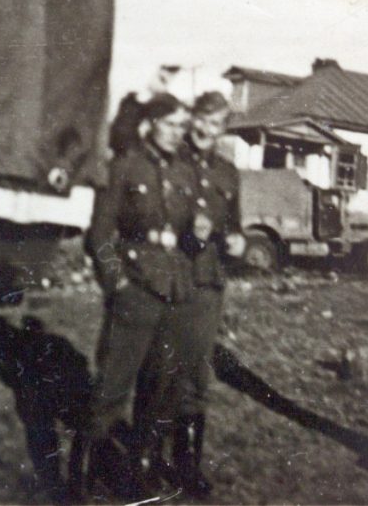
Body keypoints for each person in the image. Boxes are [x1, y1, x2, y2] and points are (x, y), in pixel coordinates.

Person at [71, 93, 198, 501]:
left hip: (173, 291)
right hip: (135, 290)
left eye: (183, 126)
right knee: (111, 388)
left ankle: (135, 473)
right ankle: (83, 477)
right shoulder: (125, 165)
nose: (181, 133)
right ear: (151, 125)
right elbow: (99, 235)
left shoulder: (185, 170)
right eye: (173, 124)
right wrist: (116, 283)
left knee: (159, 387)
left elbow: (188, 234)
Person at [132, 91, 244, 498]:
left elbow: (235, 225)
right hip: (171, 279)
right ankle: (143, 460)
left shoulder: (229, 173)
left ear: (222, 129)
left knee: (196, 375)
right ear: (191, 119)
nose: (205, 130)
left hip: (207, 285)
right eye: (200, 120)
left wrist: (237, 241)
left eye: (215, 124)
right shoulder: (168, 162)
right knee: (160, 371)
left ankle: (187, 466)